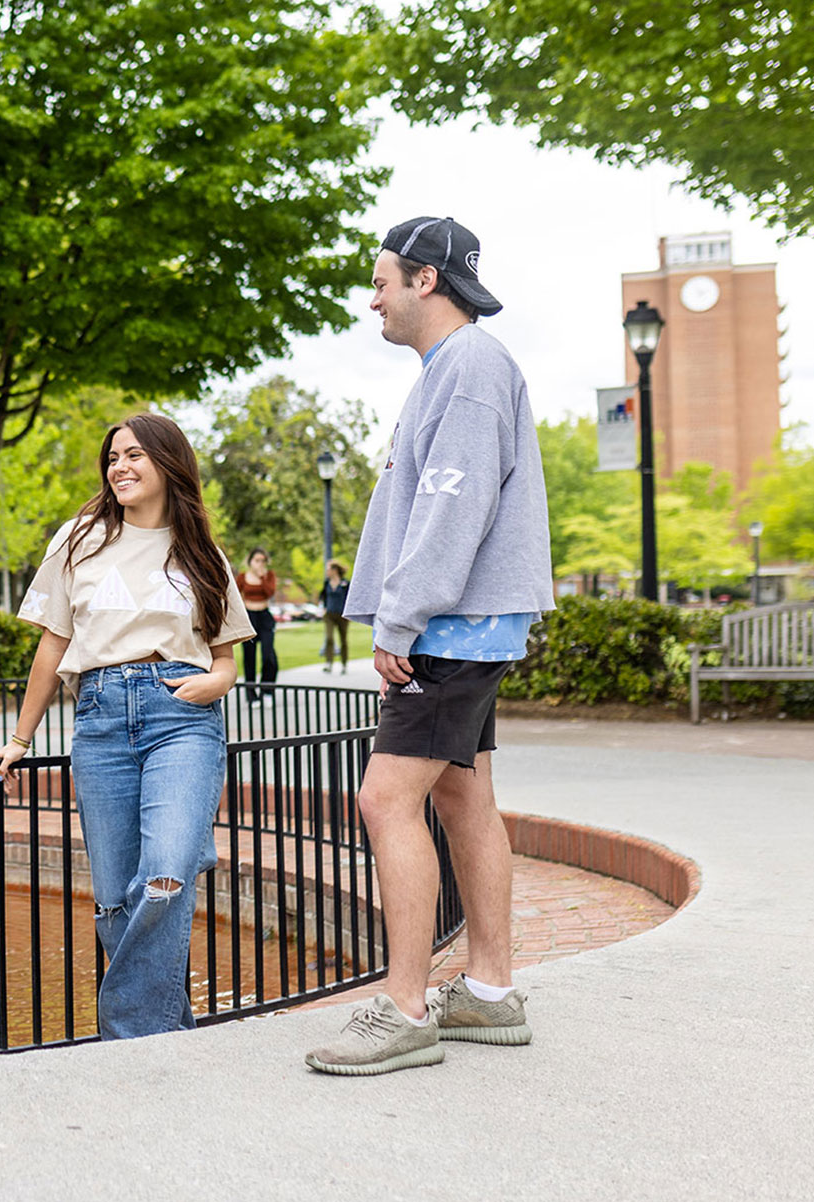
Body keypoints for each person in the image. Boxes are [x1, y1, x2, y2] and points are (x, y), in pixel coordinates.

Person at [305, 216, 553, 1076]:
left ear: (424, 280)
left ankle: (404, 1009)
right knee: (463, 799)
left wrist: (401, 619)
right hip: (468, 624)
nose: (371, 295)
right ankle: (488, 992)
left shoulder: (472, 370)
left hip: (449, 628)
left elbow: (453, 509)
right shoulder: (455, 370)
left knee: (383, 801)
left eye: (381, 280)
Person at [0, 414, 253, 1038]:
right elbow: (53, 648)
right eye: (113, 458)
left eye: (135, 455)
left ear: (168, 464)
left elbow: (226, 656)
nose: (120, 467)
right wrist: (20, 737)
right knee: (114, 898)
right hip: (101, 717)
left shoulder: (199, 552)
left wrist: (217, 681)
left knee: (165, 876)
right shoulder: (79, 539)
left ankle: (126, 1043)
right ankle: (169, 1037)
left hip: (180, 717)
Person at [237, 549, 279, 697]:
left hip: (264, 616)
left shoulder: (269, 576)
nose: (260, 564)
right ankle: (251, 693)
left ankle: (267, 690)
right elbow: (235, 595)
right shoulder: (242, 577)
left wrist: (262, 577)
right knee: (249, 656)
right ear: (250, 562)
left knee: (268, 655)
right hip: (249, 617)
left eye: (263, 560)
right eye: (257, 560)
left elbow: (270, 593)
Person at [319, 560, 352, 673]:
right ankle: (329, 662)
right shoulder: (326, 583)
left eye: (328, 569)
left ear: (334, 570)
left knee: (343, 639)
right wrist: (323, 607)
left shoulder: (345, 584)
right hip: (329, 614)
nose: (327, 572)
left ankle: (344, 664)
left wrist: (349, 613)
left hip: (342, 615)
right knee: (329, 638)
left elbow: (349, 598)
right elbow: (322, 596)